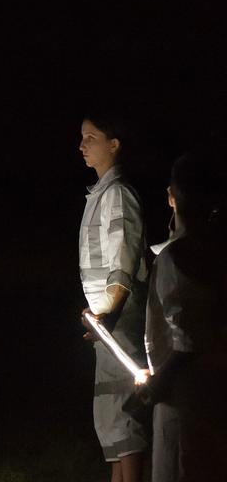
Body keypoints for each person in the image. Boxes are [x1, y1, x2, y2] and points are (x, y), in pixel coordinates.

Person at [139, 149, 227, 481]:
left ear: (172, 196)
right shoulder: (216, 252)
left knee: (181, 466)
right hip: (216, 395)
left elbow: (188, 342)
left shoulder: (176, 259)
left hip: (184, 399)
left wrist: (155, 384)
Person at [77, 114, 148, 482]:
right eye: (82, 138)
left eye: (91, 137)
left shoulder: (118, 195)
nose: (82, 145)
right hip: (106, 324)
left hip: (118, 324)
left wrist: (110, 312)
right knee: (111, 421)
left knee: (124, 419)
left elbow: (122, 259)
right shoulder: (100, 195)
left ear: (114, 143)